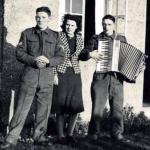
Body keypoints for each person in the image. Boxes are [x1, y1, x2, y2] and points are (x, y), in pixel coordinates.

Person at [1, 6, 65, 149]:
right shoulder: (27, 33)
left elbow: (61, 56)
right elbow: (19, 53)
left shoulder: (56, 36)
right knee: (21, 107)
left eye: (43, 17)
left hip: (47, 77)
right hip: (29, 75)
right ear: (35, 17)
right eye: (38, 17)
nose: (40, 19)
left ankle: (39, 136)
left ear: (49, 18)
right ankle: (11, 138)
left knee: (44, 109)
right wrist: (33, 60)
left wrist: (49, 61)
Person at [85, 14, 127, 141]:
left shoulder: (121, 38)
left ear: (113, 25)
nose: (106, 26)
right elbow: (83, 53)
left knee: (117, 107)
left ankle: (117, 133)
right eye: (104, 24)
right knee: (97, 107)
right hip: (100, 76)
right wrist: (90, 54)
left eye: (109, 24)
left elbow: (126, 57)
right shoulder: (96, 38)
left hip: (116, 78)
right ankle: (94, 133)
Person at [52, 14, 84, 144]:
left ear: (76, 27)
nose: (69, 27)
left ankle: (70, 134)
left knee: (75, 105)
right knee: (60, 106)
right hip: (61, 73)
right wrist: (54, 74)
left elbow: (80, 55)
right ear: (64, 25)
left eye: (72, 25)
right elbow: (53, 56)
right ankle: (60, 135)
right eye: (67, 25)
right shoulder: (58, 37)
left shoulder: (80, 39)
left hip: (75, 73)